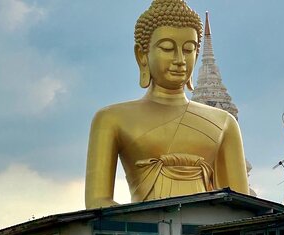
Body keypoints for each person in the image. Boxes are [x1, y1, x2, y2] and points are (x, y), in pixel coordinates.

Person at [84, 0, 249, 209]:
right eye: (167, 48)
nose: (180, 59)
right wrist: (145, 227)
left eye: (189, 49)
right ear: (142, 55)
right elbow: (97, 202)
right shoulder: (111, 119)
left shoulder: (224, 122)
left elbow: (241, 205)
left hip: (209, 233)